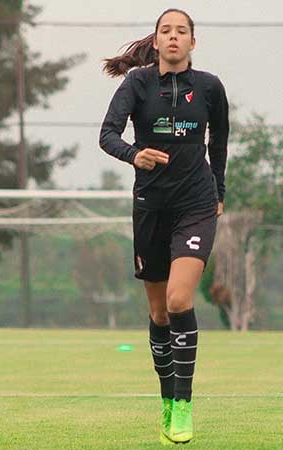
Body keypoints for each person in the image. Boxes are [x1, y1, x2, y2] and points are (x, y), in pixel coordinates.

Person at [99, 8, 229, 445]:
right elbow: (108, 135)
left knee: (178, 299)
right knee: (157, 313)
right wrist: (135, 154)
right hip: (151, 207)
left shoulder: (210, 87)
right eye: (166, 31)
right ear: (155, 42)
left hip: (195, 204)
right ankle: (167, 400)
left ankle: (185, 404)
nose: (174, 37)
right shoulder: (137, 84)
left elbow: (220, 144)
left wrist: (219, 192)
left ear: (194, 41)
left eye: (182, 31)